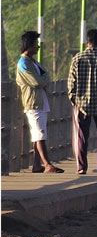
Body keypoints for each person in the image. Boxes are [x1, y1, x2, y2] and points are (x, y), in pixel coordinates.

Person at [68, 28, 97, 175]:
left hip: (82, 104)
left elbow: (71, 82)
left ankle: (82, 167)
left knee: (82, 136)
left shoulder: (77, 58)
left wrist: (73, 98)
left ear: (86, 42)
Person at [16, 31, 63, 173]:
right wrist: (44, 80)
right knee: (39, 134)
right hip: (33, 103)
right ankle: (47, 164)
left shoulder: (33, 62)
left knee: (39, 134)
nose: (38, 47)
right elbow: (37, 81)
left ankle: (37, 165)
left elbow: (45, 76)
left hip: (41, 102)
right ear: (29, 45)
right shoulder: (23, 63)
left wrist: (44, 79)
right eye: (36, 44)